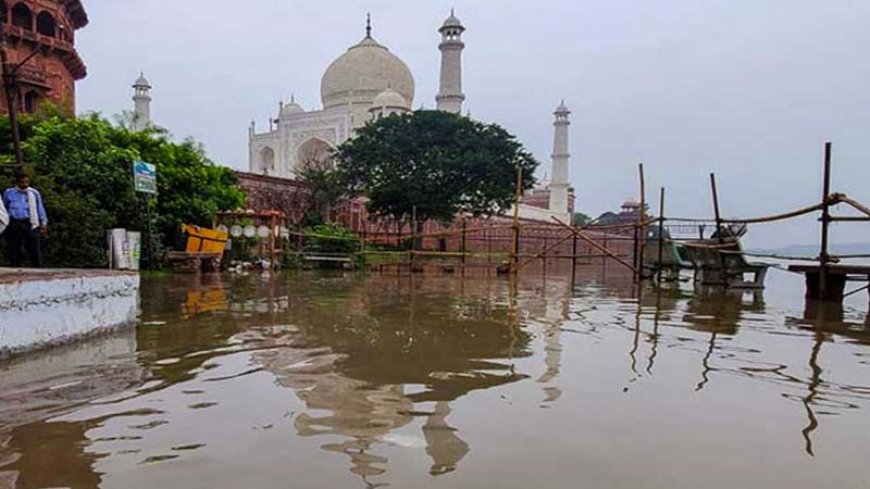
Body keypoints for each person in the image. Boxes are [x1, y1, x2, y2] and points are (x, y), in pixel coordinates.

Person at [3, 172, 47, 267]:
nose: (25, 184)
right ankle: (15, 268)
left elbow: (39, 208)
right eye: (22, 182)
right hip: (14, 222)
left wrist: (43, 223)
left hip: (30, 222)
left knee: (34, 247)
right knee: (15, 248)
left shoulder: (33, 193)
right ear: (18, 182)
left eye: (26, 182)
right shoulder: (9, 193)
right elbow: (5, 207)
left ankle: (37, 268)